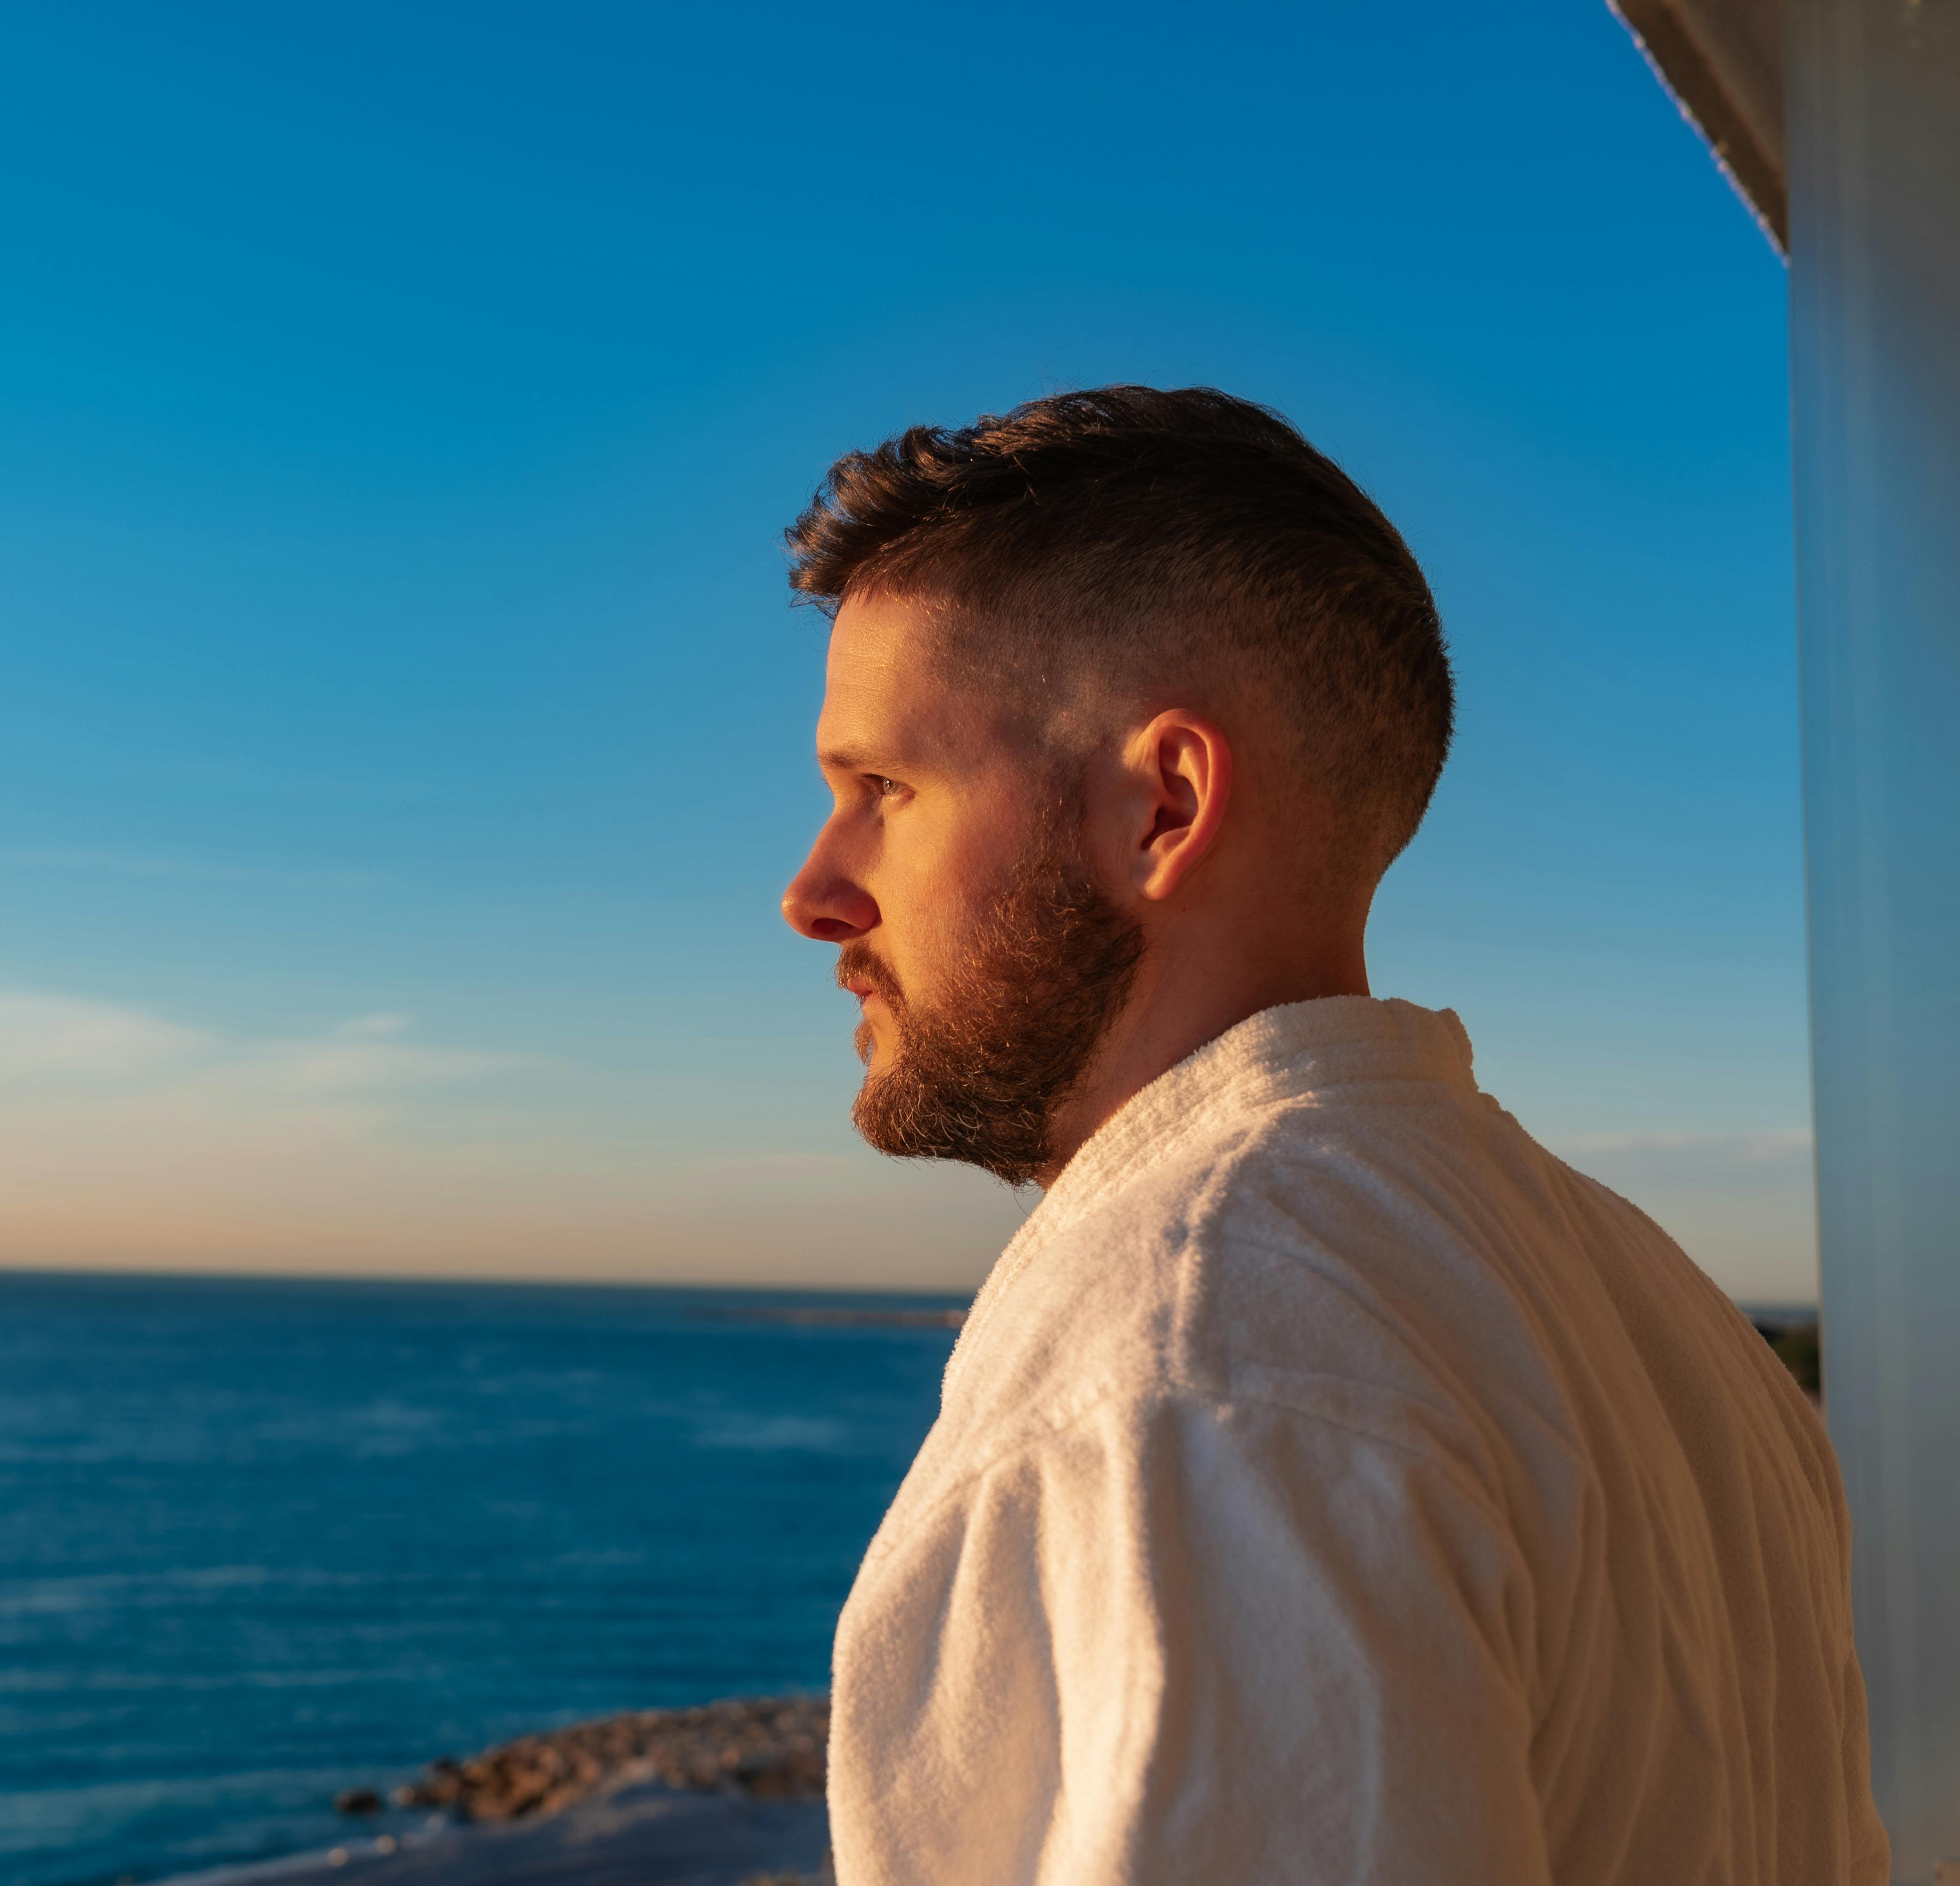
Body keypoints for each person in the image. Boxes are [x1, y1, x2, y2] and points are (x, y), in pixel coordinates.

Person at [778, 387, 1886, 1885]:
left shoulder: (1203, 1351)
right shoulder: (1664, 1311)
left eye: (884, 791)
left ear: (1164, 803)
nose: (815, 891)